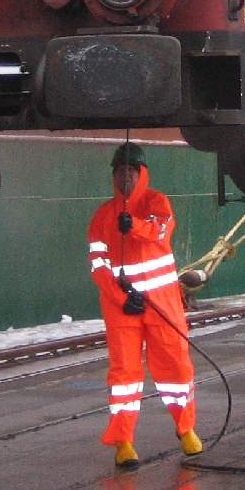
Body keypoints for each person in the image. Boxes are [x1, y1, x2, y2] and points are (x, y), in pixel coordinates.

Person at [87, 142, 202, 468]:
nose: (126, 178)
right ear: (114, 176)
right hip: (122, 308)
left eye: (131, 172)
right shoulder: (101, 218)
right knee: (124, 374)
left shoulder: (156, 202)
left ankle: (186, 429)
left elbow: (161, 232)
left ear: (142, 174)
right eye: (120, 172)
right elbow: (98, 265)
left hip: (162, 305)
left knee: (176, 368)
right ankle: (123, 442)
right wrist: (124, 298)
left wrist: (133, 225)